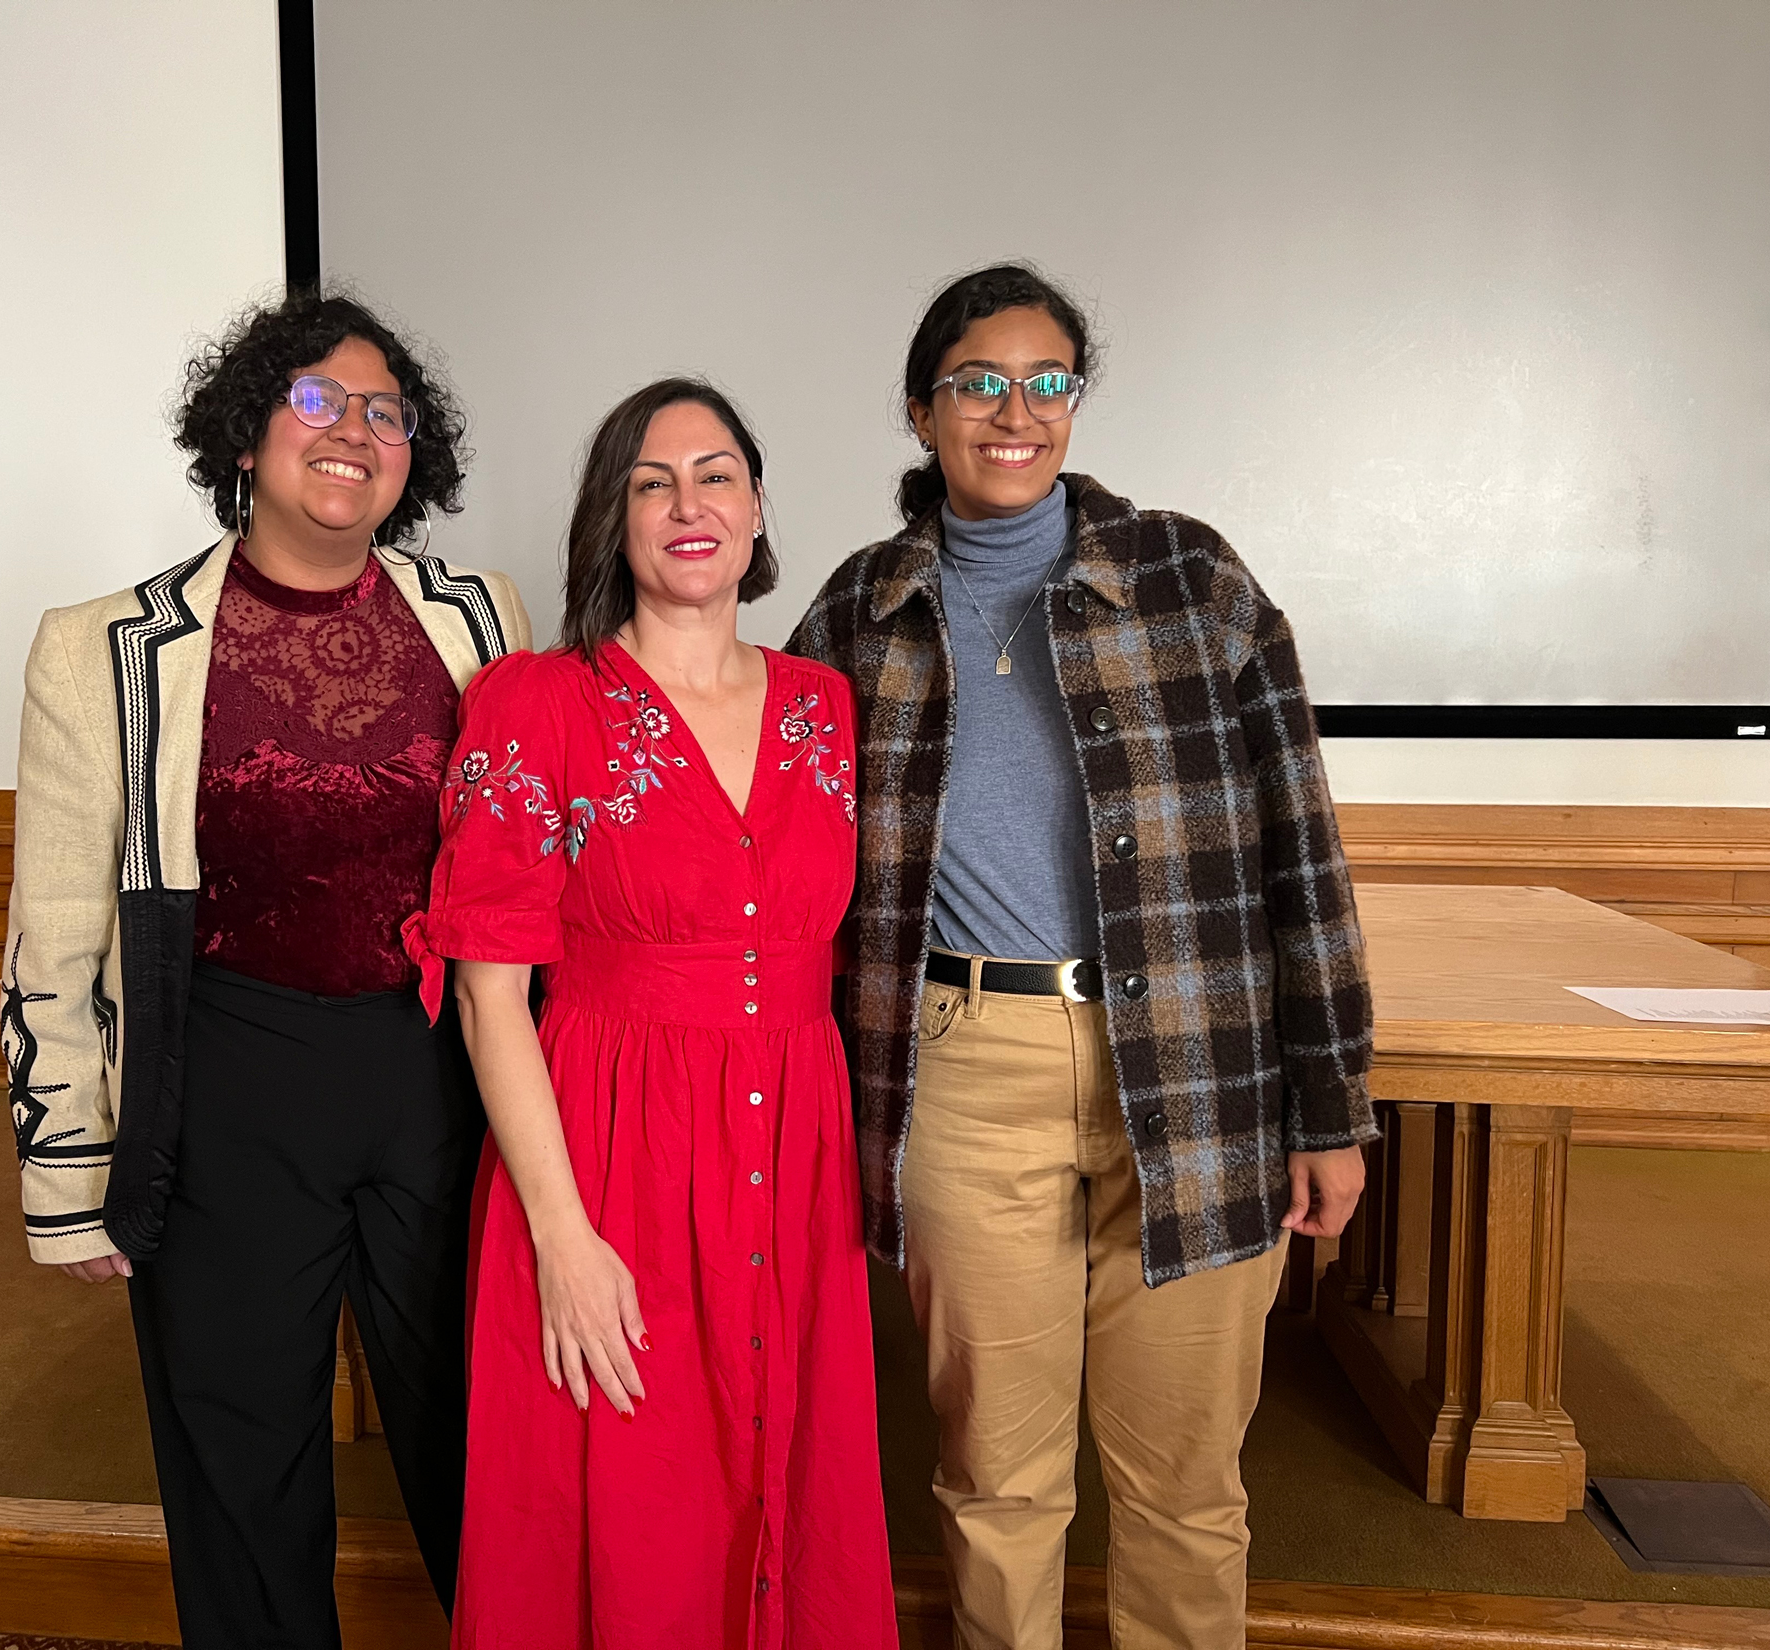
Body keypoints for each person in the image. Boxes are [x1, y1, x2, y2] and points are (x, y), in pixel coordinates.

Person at [786, 263, 1377, 1650]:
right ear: (923, 410)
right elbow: (792, 868)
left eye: (1048, 381)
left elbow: (1302, 846)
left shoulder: (1191, 575)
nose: (1016, 411)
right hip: (962, 1072)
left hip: (1197, 1068)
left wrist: (1332, 1106)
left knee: (1182, 1481)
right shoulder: (855, 612)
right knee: (998, 1475)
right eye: (979, 382)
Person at [0, 288, 530, 1649]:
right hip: (226, 1087)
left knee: (489, 1439)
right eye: (315, 400)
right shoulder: (105, 645)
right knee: (244, 1464)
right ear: (247, 435)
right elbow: (53, 927)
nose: (352, 430)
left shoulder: (483, 616)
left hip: (440, 1081)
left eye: (384, 412)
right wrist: (68, 1178)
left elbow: (527, 872)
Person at [424, 379, 898, 1648]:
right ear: (612, 520)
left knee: (788, 1480)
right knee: (628, 1499)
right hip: (608, 1155)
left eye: (716, 474)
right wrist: (562, 1239)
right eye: (651, 481)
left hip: (794, 1159)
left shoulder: (825, 706)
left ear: (754, 509)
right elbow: (486, 998)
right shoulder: (535, 704)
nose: (688, 503)